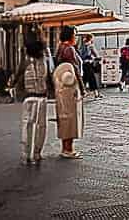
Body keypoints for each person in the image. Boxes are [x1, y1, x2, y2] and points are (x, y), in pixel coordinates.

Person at [10, 39, 51, 165]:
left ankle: (26, 155)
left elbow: (17, 76)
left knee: (27, 126)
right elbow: (50, 77)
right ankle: (37, 153)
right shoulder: (45, 61)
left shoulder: (25, 62)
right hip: (42, 98)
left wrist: (11, 85)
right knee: (41, 127)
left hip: (29, 98)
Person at [54, 26, 86, 159]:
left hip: (61, 86)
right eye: (75, 34)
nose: (76, 37)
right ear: (71, 35)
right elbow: (76, 69)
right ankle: (68, 148)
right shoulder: (69, 49)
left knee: (64, 116)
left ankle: (65, 147)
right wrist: (82, 88)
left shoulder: (60, 48)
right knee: (71, 117)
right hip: (71, 87)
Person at [79, 34, 102, 98]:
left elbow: (82, 55)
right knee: (92, 78)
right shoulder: (89, 45)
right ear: (90, 39)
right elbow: (95, 55)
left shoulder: (83, 45)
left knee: (85, 78)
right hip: (88, 64)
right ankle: (96, 94)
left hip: (84, 64)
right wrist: (94, 57)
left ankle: (82, 93)